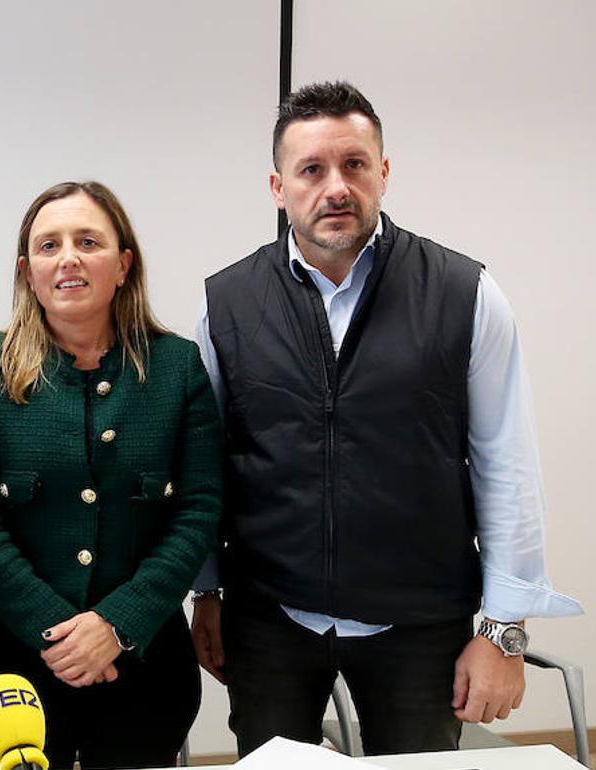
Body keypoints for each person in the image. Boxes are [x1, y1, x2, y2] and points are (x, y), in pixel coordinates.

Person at [191, 81, 583, 757]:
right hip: (271, 620)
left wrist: (503, 633)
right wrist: (206, 591)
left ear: (384, 173)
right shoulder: (226, 304)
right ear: (278, 187)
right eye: (312, 170)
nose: (335, 187)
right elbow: (206, 465)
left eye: (354, 165)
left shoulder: (466, 295)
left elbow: (508, 466)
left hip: (421, 627)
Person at [0, 181, 221, 768]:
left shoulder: (176, 368)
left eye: (88, 241)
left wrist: (117, 625)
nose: (68, 257)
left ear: (123, 264)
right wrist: (57, 630)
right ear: (28, 270)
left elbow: (199, 509)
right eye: (49, 245)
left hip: (144, 658)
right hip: (19, 662)